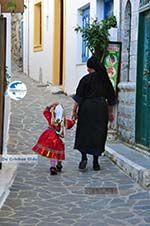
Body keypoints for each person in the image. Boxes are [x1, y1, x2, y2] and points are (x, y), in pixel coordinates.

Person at [72, 56, 117, 171]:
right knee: (99, 134)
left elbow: (79, 98)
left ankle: (84, 158)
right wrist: (110, 113)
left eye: (89, 67)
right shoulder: (105, 80)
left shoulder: (85, 79)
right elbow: (111, 99)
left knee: (84, 132)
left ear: (92, 68)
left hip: (86, 108)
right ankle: (96, 162)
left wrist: (74, 111)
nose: (87, 70)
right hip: (101, 109)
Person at [32, 103, 75, 175]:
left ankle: (52, 167)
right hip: (60, 140)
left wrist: (50, 106)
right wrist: (74, 119)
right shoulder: (64, 122)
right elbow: (71, 124)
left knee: (53, 153)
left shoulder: (51, 118)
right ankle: (59, 164)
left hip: (50, 137)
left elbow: (45, 112)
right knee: (59, 152)